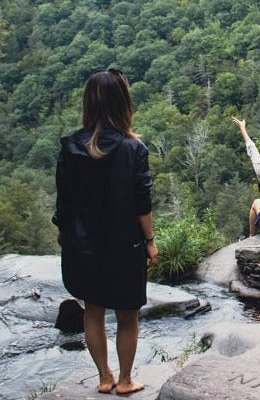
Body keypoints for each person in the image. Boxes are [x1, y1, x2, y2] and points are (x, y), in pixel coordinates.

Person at [53, 68, 158, 395]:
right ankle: (126, 381)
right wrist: (150, 242)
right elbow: (143, 202)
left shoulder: (70, 145)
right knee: (128, 316)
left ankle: (103, 377)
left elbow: (63, 199)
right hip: (123, 245)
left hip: (81, 245)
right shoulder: (133, 149)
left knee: (93, 312)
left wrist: (63, 233)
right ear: (123, 102)